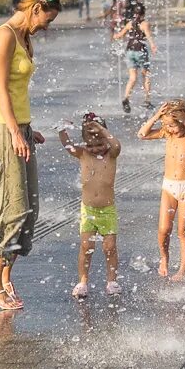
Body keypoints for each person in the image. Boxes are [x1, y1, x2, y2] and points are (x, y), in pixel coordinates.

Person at [0, 0, 61, 311]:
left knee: (29, 210)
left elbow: (16, 90)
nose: (46, 27)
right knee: (13, 207)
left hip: (16, 127)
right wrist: (13, 130)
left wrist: (26, 128)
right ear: (36, 8)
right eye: (47, 19)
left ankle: (4, 278)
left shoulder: (25, 37)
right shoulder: (4, 35)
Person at [138, 99, 185, 282]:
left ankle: (184, 269)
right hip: (168, 187)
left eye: (173, 125)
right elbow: (142, 134)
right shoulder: (166, 134)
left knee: (182, 231)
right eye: (167, 125)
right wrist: (156, 116)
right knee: (163, 229)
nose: (171, 129)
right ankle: (164, 257)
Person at [57, 113, 123, 299]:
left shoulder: (111, 154)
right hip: (88, 209)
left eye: (100, 144)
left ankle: (112, 281)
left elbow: (116, 144)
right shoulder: (83, 154)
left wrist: (102, 130)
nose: (95, 149)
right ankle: (83, 281)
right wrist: (62, 129)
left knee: (109, 247)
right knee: (86, 247)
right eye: (91, 145)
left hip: (107, 210)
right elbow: (67, 145)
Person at [113, 2, 158, 113]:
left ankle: (126, 98)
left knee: (132, 77)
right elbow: (148, 36)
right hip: (140, 51)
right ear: (143, 13)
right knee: (146, 75)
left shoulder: (130, 24)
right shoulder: (144, 24)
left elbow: (119, 36)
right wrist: (153, 45)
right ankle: (147, 100)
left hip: (130, 52)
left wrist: (114, 34)